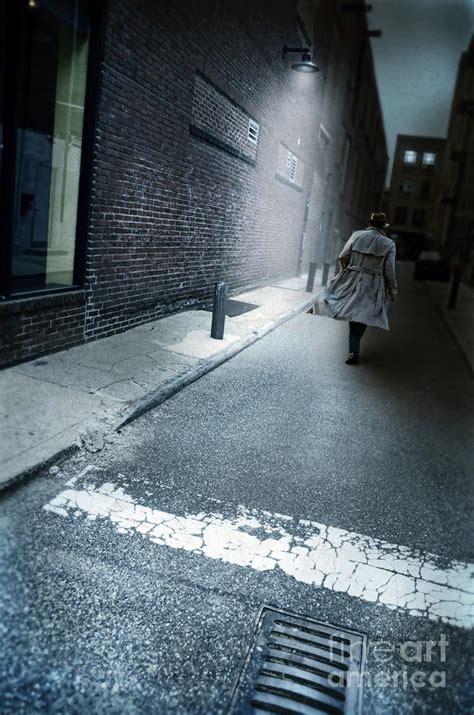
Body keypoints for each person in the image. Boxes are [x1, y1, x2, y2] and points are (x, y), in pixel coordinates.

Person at [321, 211, 397, 365]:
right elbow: (389, 269)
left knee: (353, 314)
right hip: (374, 284)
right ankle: (354, 350)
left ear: (370, 224)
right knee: (362, 316)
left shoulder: (357, 236)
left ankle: (353, 350)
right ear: (383, 226)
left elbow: (343, 256)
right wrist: (392, 289)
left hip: (352, 279)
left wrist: (347, 271)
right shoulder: (389, 244)